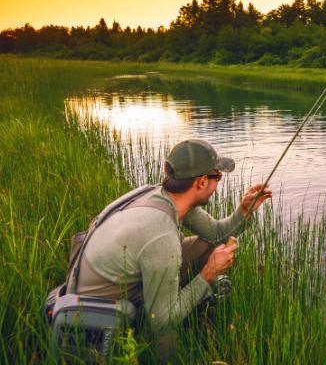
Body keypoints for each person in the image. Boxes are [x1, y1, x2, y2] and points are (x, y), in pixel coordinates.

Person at [66, 139, 272, 360]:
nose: (217, 185)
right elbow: (161, 319)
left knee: (206, 246)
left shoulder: (164, 196)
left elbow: (215, 234)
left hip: (111, 280)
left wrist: (243, 211)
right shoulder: (162, 235)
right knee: (166, 329)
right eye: (217, 178)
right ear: (202, 182)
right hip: (99, 312)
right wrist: (208, 274)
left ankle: (183, 305)